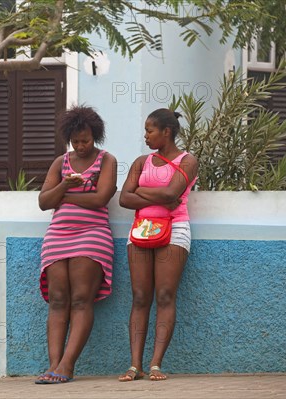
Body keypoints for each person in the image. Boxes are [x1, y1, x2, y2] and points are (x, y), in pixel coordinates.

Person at [36, 105, 117, 384]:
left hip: (92, 234)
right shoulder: (61, 163)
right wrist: (66, 186)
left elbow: (100, 199)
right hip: (58, 235)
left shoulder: (107, 161)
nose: (81, 146)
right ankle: (53, 365)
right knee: (58, 301)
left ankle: (68, 365)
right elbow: (44, 202)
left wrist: (64, 198)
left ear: (95, 135)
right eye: (76, 141)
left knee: (82, 299)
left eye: (86, 140)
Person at [118, 108, 198, 382]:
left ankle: (155, 365)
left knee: (165, 295)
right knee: (140, 297)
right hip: (141, 230)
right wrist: (159, 197)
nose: (145, 136)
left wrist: (141, 191)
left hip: (174, 229)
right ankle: (134, 365)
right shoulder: (142, 162)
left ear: (166, 131)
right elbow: (123, 199)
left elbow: (172, 193)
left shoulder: (188, 161)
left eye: (150, 130)